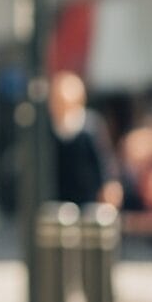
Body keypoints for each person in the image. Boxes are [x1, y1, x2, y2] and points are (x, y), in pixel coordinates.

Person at [48, 71, 121, 207]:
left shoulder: (90, 128)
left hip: (89, 198)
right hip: (60, 199)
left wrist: (109, 185)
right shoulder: (47, 131)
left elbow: (104, 160)